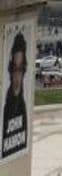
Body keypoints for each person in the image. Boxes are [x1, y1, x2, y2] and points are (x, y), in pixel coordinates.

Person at [2, 31, 28, 159]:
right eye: (14, 69)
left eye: (20, 69)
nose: (17, 76)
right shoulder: (6, 104)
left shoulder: (22, 106)